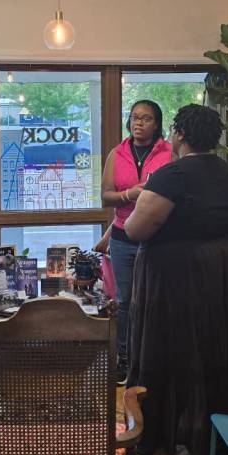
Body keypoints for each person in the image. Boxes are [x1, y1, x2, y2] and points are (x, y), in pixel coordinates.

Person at [124, 104, 228, 455]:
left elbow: (135, 229)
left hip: (173, 279)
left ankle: (159, 445)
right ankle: (212, 442)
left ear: (179, 134)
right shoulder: (227, 174)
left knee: (163, 356)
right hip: (216, 278)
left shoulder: (173, 175)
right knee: (213, 356)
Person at [94, 100, 171, 384]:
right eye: (135, 117)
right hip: (123, 237)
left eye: (146, 118)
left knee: (155, 297)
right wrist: (130, 194)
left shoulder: (169, 153)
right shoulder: (117, 153)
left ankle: (154, 357)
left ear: (156, 123)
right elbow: (105, 196)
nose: (138, 123)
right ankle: (124, 358)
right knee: (125, 300)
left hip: (158, 235)